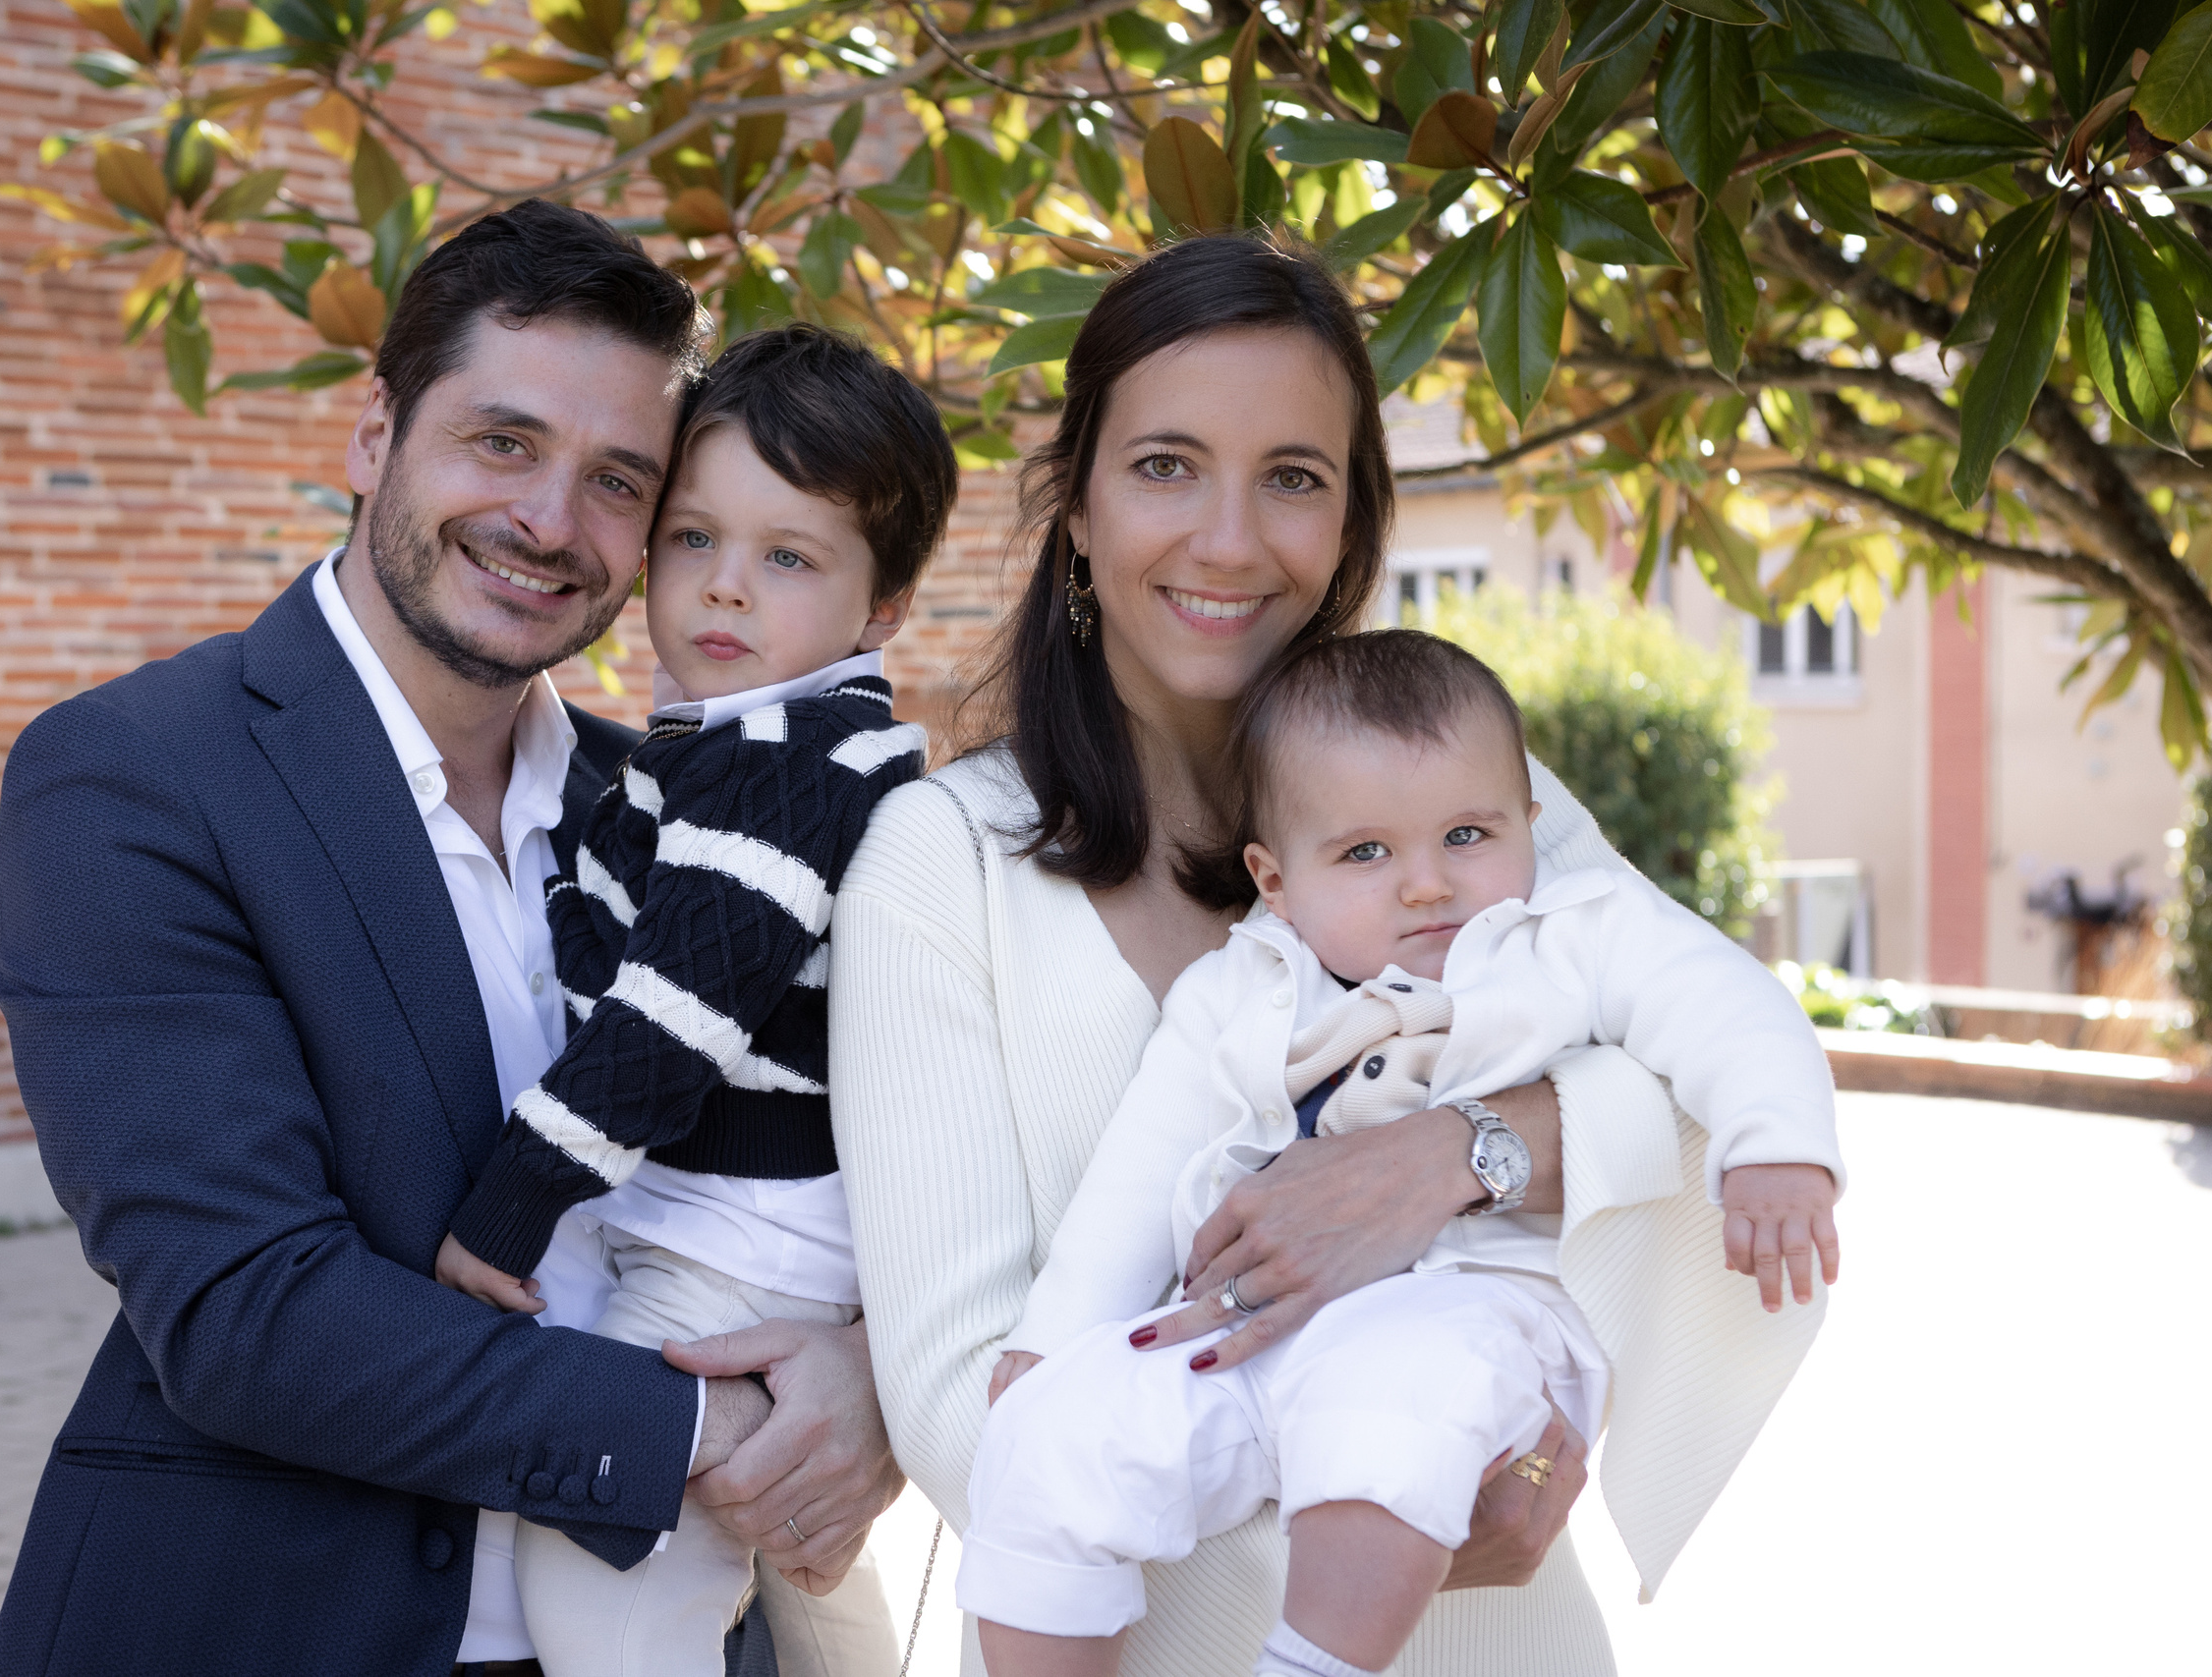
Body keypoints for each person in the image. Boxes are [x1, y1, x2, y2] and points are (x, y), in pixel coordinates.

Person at [0, 202, 902, 1677]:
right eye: (502, 442)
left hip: (677, 1624)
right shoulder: (135, 775)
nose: (550, 521)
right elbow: (244, 1309)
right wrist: (707, 1429)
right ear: (375, 437)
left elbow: (861, 1143)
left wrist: (873, 1381)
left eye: (618, 480)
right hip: (273, 1622)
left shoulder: (690, 804)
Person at [830, 232, 1710, 1677]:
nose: (1231, 539)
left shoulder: (1484, 810)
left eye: (1292, 477)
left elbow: (1700, 1093)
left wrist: (1450, 1157)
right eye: (1167, 464)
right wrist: (1376, 1468)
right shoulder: (945, 865)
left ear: (1352, 519)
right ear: (1076, 504)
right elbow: (957, 1399)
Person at [961, 629, 1844, 1677]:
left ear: (1532, 825)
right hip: (1250, 1326)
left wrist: (1775, 1151)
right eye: (1365, 853)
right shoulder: (1238, 989)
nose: (1427, 885)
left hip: (1479, 1314)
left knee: (1392, 1396)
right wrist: (1058, 1335)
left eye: (1468, 834)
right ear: (1275, 881)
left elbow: (1728, 1007)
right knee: (1058, 1429)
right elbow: (1141, 1164)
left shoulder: (1573, 936)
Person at [430, 324, 957, 1674]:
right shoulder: (724, 746)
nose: (725, 589)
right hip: (723, 1225)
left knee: (604, 1562)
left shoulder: (787, 770)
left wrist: (511, 1202)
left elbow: (663, 1028)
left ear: (882, 608)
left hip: (740, 1242)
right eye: (695, 541)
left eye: (788, 557)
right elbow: (606, 925)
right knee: (790, 1549)